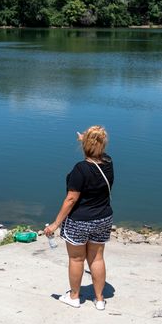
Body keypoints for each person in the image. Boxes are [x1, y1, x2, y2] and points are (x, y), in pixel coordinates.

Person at [44, 125, 114, 310]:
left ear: (85, 146)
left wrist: (55, 224)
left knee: (76, 260)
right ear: (102, 145)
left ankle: (74, 297)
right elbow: (99, 151)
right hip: (103, 219)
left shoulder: (80, 169)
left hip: (80, 221)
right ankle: (99, 299)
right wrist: (88, 140)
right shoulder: (108, 163)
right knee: (97, 259)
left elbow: (71, 199)